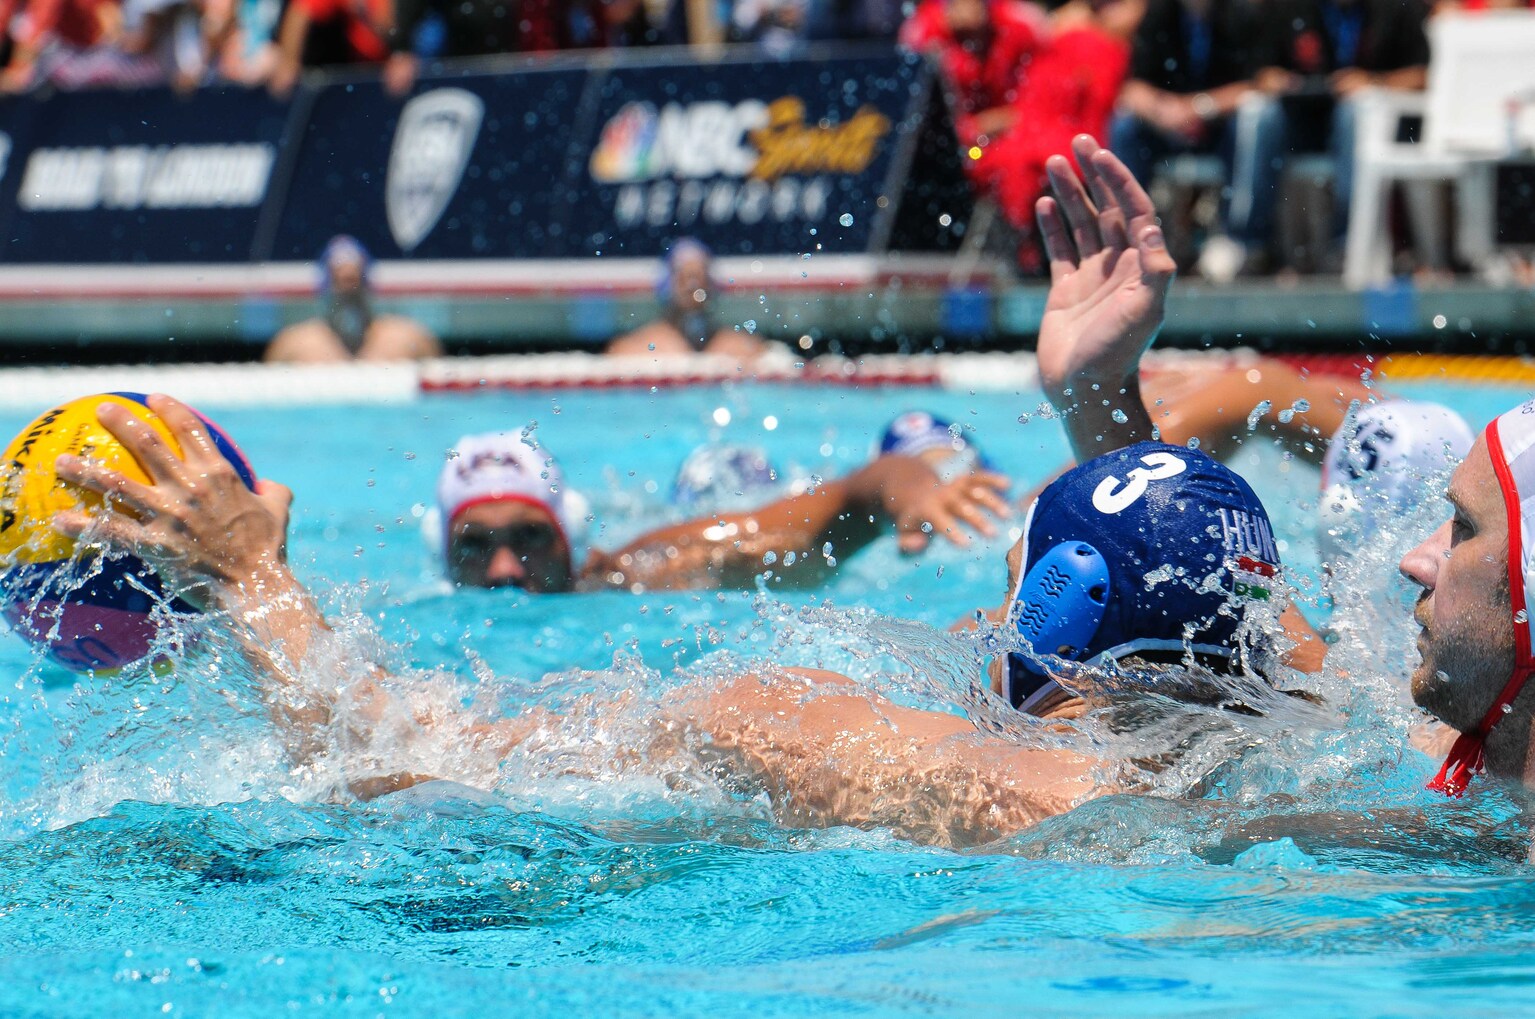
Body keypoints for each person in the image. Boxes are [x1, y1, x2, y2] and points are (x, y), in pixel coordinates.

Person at [1033, 133, 1535, 808]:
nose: (1414, 559)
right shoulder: (1413, 767)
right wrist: (1096, 386)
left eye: (1463, 527)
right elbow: (1222, 598)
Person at [430, 428, 1011, 592]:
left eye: (529, 538)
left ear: (569, 535)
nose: (505, 572)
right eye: (475, 546)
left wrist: (913, 495)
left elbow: (845, 501)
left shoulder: (646, 573)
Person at [1108, 0, 1265, 274]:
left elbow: (1256, 85)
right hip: (1168, 124)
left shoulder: (1241, 15)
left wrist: (1199, 108)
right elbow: (1133, 86)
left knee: (1253, 121)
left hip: (1219, 126)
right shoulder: (1159, 14)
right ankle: (1130, 231)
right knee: (1125, 128)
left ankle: (1234, 236)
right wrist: (1162, 110)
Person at [264, 236, 442, 364]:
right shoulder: (292, 346)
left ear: (368, 287)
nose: (348, 294)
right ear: (325, 289)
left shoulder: (411, 341)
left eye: (353, 283)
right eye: (340, 283)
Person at [605, 239, 767, 361]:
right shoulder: (633, 349)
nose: (691, 286)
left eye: (699, 278)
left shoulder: (742, 347)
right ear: (667, 287)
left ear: (711, 286)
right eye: (683, 279)